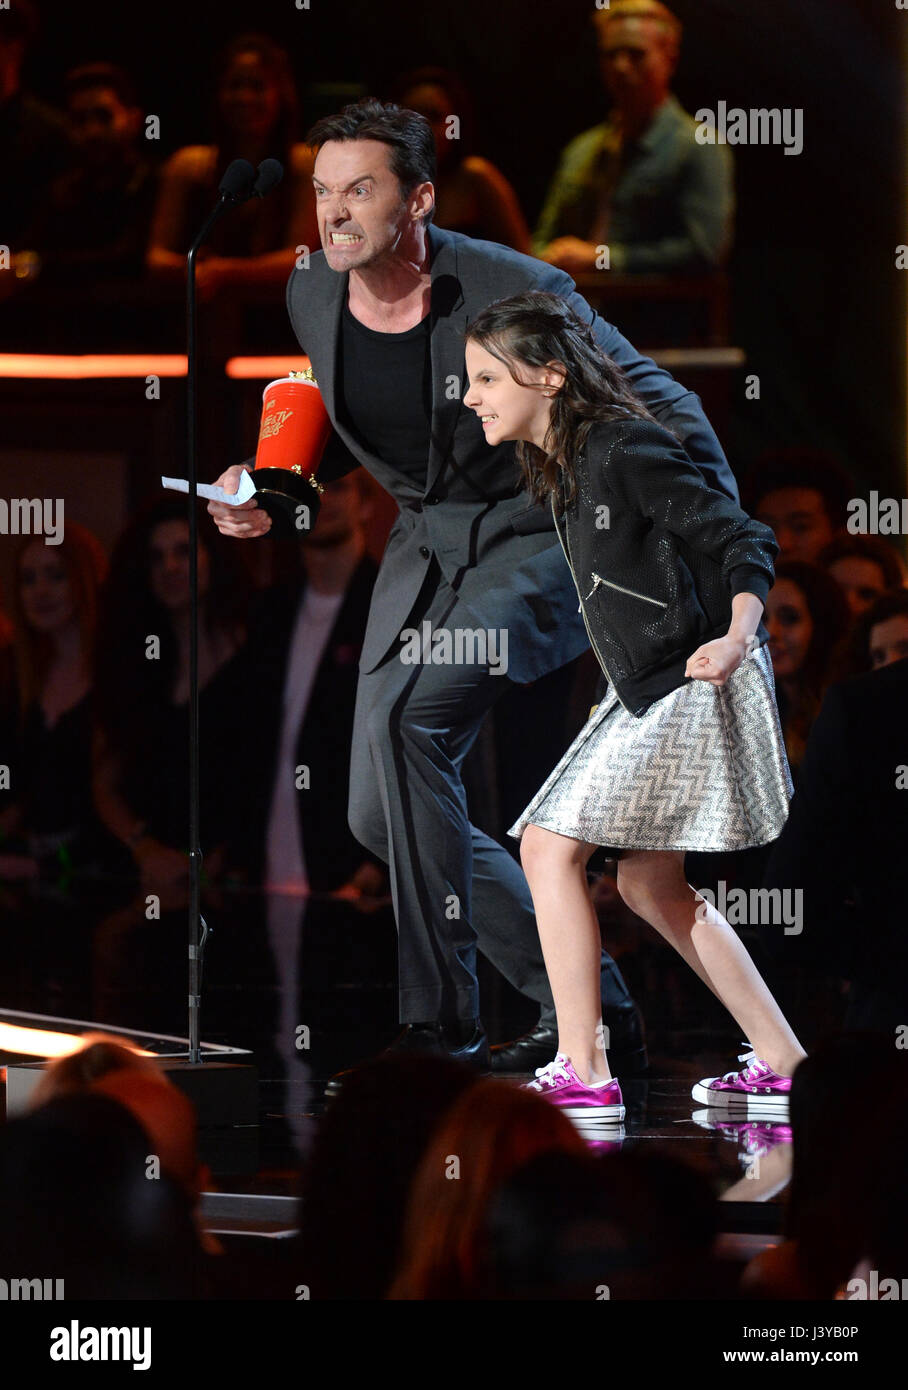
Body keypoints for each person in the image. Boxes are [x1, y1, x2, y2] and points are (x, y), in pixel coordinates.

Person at [207, 98, 746, 1080]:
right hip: (425, 544)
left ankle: (438, 1026)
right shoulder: (313, 294)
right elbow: (362, 429)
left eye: (356, 189)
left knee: (415, 726)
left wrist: (727, 552)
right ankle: (590, 1010)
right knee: (379, 812)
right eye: (321, 193)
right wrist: (273, 491)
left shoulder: (514, 288)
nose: (331, 213)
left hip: (540, 531)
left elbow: (656, 402)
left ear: (417, 196)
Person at [462, 290, 805, 1119]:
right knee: (652, 888)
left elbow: (743, 538)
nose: (470, 396)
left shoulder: (623, 446)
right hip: (642, 691)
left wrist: (735, 637)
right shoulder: (566, 465)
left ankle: (584, 1064)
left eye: (484, 377)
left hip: (685, 685)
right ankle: (787, 1060)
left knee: (547, 848)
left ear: (547, 375)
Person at [533, 0, 733, 275]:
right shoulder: (582, 149)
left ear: (670, 58)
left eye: (635, 54)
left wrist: (601, 258)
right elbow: (542, 241)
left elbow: (704, 251)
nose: (621, 66)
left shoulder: (699, 145)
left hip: (647, 315)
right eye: (611, 54)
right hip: (573, 312)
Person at [146, 33, 318, 298]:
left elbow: (299, 261)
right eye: (234, 85)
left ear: (280, 94)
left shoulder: (306, 163)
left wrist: (222, 272)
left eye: (257, 86)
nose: (244, 98)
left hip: (282, 323)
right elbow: (156, 258)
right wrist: (196, 268)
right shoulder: (187, 165)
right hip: (201, 319)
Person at [393, 67, 530, 251]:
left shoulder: (475, 178)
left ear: (454, 126)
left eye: (434, 116)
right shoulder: (389, 182)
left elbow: (525, 261)